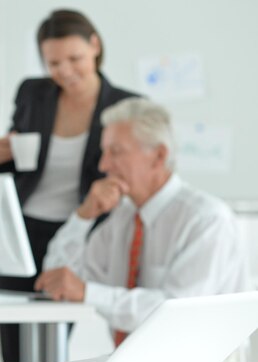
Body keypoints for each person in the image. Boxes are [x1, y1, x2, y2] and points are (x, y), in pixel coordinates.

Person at [34, 97, 252, 345]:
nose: (104, 165)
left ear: (158, 156)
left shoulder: (206, 220)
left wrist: (88, 293)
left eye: (115, 152)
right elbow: (58, 278)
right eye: (103, 153)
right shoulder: (123, 217)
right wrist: (83, 216)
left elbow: (177, 313)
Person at [0, 9, 138, 362]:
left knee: (55, 331)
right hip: (21, 228)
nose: (65, 71)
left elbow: (130, 171)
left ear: (95, 47)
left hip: (77, 230)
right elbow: (12, 163)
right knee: (12, 337)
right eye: (53, 62)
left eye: (75, 58)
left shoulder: (125, 105)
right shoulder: (32, 92)